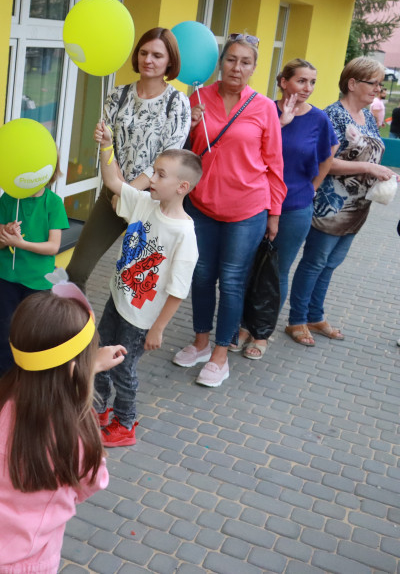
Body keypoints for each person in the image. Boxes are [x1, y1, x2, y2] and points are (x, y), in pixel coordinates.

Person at [0, 288, 126, 574]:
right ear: (73, 369)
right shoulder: (75, 436)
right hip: (23, 564)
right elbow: (91, 481)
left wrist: (84, 366)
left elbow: (46, 374)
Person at [172, 34, 286, 387]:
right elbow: (184, 152)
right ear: (221, 62)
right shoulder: (198, 98)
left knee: (233, 281)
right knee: (202, 276)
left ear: (254, 67)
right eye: (231, 59)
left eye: (245, 62)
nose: (237, 68)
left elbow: (274, 164)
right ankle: (201, 343)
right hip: (202, 205)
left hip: (247, 208)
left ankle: (221, 355)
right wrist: (189, 125)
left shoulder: (264, 107)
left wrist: (274, 212)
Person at [92, 119, 200, 446]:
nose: (152, 178)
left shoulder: (184, 234)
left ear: (183, 186)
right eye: (154, 171)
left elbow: (178, 291)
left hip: (141, 320)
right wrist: (107, 144)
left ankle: (125, 424)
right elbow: (113, 180)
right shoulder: (144, 203)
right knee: (100, 353)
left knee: (124, 369)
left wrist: (159, 328)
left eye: (161, 175)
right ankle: (96, 408)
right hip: (118, 299)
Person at [66, 27, 191, 289]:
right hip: (112, 195)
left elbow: (168, 157)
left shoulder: (177, 102)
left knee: (134, 285)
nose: (148, 60)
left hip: (152, 201)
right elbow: (106, 146)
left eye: (157, 55)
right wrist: (117, 187)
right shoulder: (117, 95)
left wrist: (128, 192)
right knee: (76, 271)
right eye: (144, 53)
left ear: (170, 61)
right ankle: (80, 330)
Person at [286, 57, 396, 345]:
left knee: (331, 263)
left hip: (358, 207)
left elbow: (371, 153)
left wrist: (384, 175)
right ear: (352, 83)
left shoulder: (370, 117)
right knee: (314, 262)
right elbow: (324, 161)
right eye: (373, 83)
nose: (378, 90)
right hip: (330, 204)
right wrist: (369, 168)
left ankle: (315, 315)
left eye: (380, 84)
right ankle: (296, 320)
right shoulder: (332, 115)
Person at [237, 60, 336, 356]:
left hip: (294, 207)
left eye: (312, 82)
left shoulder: (319, 120)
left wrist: (312, 189)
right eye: (301, 81)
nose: (307, 88)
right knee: (246, 268)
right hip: (255, 202)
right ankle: (243, 326)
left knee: (277, 271)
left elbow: (327, 156)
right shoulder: (263, 109)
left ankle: (261, 333)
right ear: (283, 82)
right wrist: (282, 124)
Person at [0, 161, 67, 391]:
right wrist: (6, 236)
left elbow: (53, 247)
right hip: (8, 279)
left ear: (49, 173)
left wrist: (21, 243)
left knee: (34, 335)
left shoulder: (53, 203)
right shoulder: (9, 199)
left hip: (38, 282)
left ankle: (32, 383)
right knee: (5, 332)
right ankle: (6, 381)